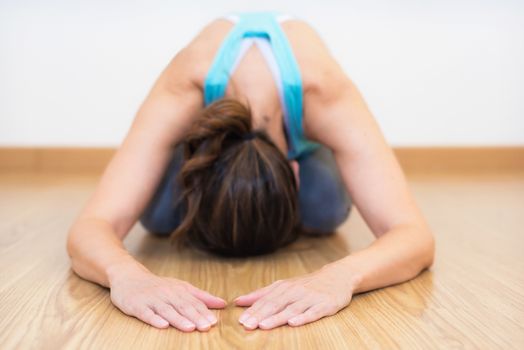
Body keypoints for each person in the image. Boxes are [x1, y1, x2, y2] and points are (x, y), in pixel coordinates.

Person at [66, 11, 435, 333]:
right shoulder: (184, 88)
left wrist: (339, 276)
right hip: (201, 121)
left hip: (305, 116)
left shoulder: (323, 93)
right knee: (160, 215)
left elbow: (415, 237)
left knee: (323, 207)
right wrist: (127, 277)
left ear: (295, 169)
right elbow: (92, 224)